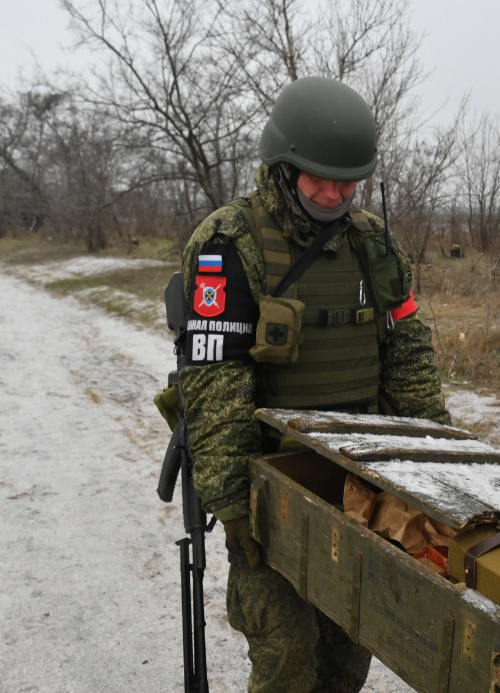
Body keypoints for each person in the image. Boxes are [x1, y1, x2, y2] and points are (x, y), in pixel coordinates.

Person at [177, 76, 450, 692]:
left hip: (360, 478)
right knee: (286, 656)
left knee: (349, 645)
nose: (334, 194)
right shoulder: (230, 243)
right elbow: (215, 380)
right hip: (270, 480)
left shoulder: (373, 244)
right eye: (318, 178)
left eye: (347, 181)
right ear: (283, 167)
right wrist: (232, 502)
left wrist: (437, 468)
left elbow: (408, 357)